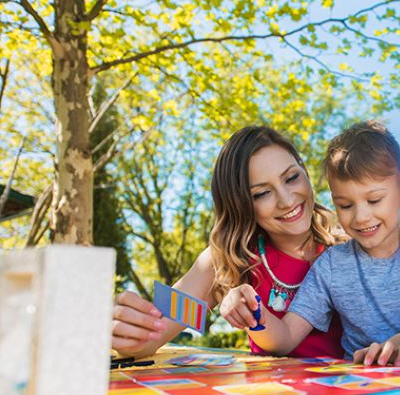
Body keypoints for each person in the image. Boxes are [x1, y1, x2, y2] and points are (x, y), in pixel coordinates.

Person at [221, 121, 400, 365]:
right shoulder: (330, 264)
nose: (361, 217)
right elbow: (285, 338)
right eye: (345, 205)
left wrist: (399, 346)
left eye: (374, 200)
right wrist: (254, 313)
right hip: (363, 387)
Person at [111, 126, 346, 359]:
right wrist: (127, 331)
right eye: (261, 193)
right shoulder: (225, 261)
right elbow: (151, 335)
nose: (286, 200)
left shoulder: (352, 247)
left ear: (304, 172)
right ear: (240, 205)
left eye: (292, 178)